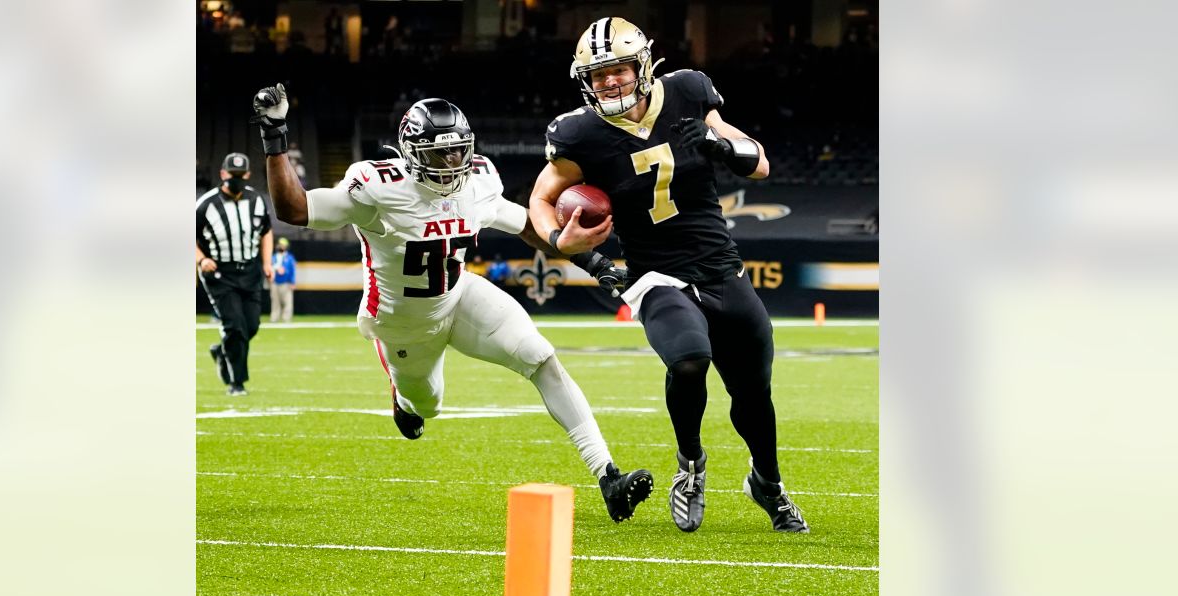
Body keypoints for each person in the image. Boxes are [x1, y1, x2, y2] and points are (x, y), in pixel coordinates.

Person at [251, 85, 653, 522]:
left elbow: (526, 226)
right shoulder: (377, 189)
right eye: (440, 154)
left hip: (460, 295)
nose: (453, 163)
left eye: (459, 151)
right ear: (411, 152)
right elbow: (294, 209)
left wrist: (593, 260)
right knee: (427, 405)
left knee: (541, 357)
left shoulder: (477, 181)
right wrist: (275, 135)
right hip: (403, 323)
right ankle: (403, 401)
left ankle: (608, 476)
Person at [527, 17, 809, 533]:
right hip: (655, 273)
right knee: (687, 360)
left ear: (643, 65)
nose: (609, 81)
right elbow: (541, 199)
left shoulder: (686, 92)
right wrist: (558, 240)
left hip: (719, 265)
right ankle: (691, 467)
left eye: (617, 69)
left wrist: (721, 147)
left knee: (753, 397)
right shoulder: (580, 133)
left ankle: (766, 482)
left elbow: (760, 163)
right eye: (597, 74)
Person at [196, 152, 274, 396]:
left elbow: (266, 232)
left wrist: (267, 263)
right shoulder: (206, 204)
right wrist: (202, 259)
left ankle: (222, 351)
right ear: (222, 174)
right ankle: (235, 382)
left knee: (251, 326)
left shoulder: (257, 200)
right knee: (235, 327)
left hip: (250, 270)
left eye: (241, 175)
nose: (237, 179)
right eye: (233, 175)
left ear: (248, 174)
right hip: (220, 273)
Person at [271, 237, 297, 322]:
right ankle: (274, 318)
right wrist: (276, 269)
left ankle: (286, 318)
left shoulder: (289, 258)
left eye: (283, 245)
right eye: (279, 244)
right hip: (275, 282)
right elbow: (270, 267)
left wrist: (292, 282)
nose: (281, 246)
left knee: (287, 302)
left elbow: (292, 270)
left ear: (286, 246)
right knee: (275, 302)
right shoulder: (273, 257)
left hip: (286, 282)